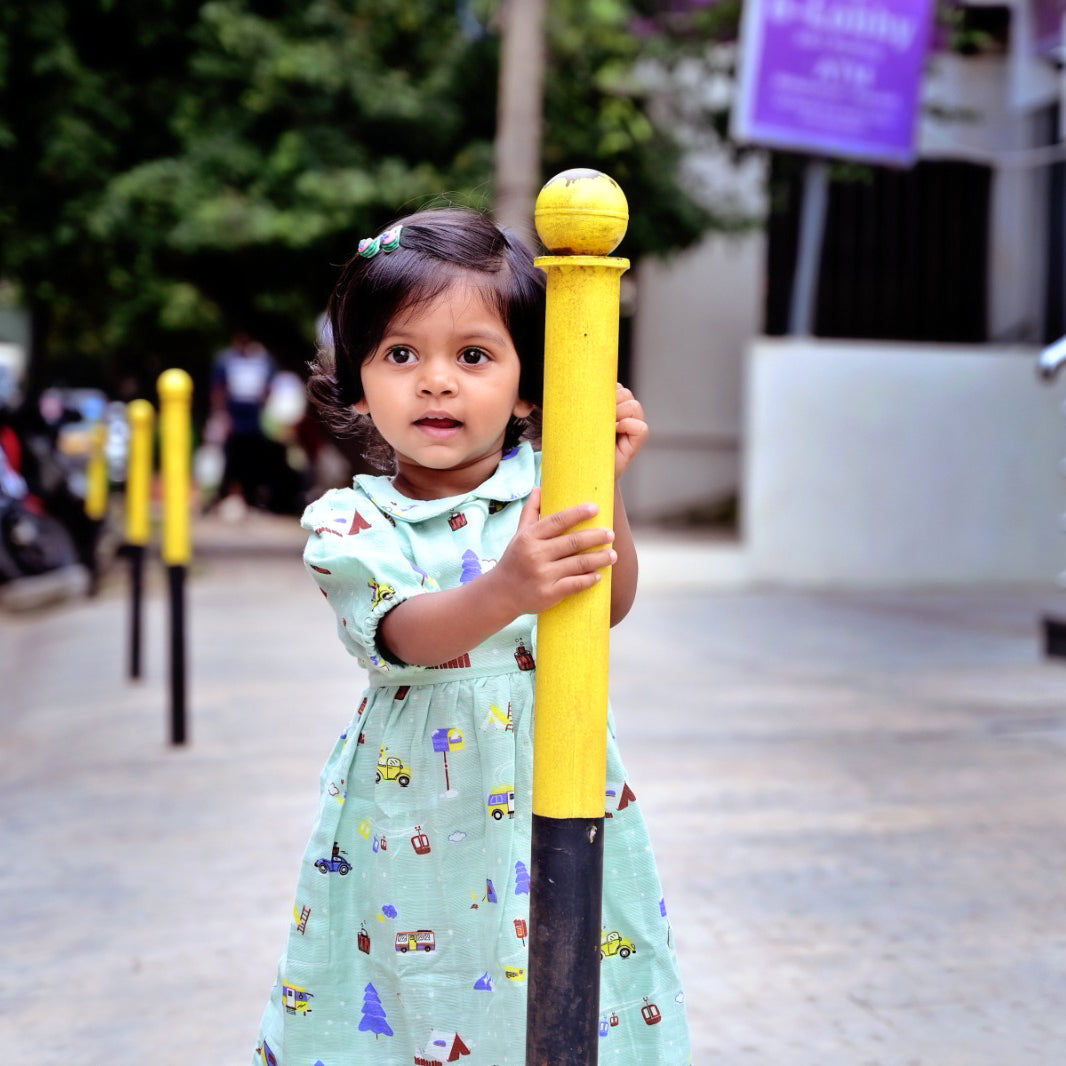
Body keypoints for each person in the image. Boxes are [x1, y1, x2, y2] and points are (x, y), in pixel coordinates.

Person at [254, 208, 690, 1065]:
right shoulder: (354, 521)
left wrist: (598, 478)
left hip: (552, 782)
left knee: (568, 982)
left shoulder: (547, 483)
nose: (436, 382)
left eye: (474, 356)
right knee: (415, 995)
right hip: (411, 805)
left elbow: (604, 608)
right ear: (356, 381)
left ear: (528, 386)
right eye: (400, 354)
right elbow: (404, 637)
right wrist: (507, 588)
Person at [207, 330, 278, 514]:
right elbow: (218, 389)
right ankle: (226, 494)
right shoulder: (225, 360)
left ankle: (250, 497)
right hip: (233, 411)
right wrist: (222, 415)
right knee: (231, 456)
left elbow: (269, 387)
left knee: (253, 456)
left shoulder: (263, 361)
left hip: (254, 412)